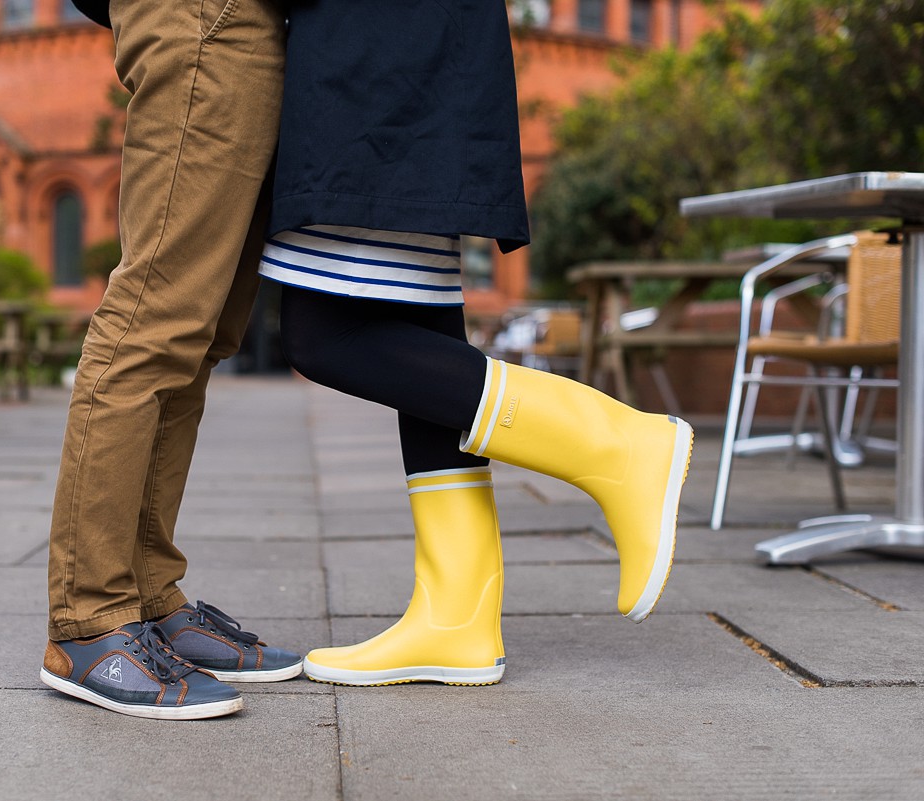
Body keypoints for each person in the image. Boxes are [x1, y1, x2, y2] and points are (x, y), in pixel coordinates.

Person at [261, 0, 695, 687]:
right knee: (412, 325)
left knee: (327, 334)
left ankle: (614, 444)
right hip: (404, 49)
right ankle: (456, 614)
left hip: (372, 49)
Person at [40, 0, 303, 720]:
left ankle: (149, 597)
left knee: (199, 329)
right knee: (153, 316)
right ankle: (89, 620)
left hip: (249, 20)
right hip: (207, 14)